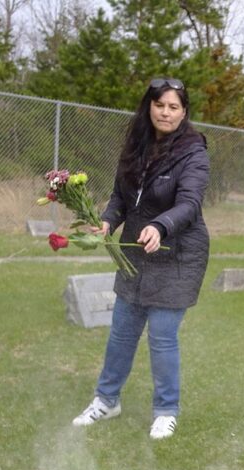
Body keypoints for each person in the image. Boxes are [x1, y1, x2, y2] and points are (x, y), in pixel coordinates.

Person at [72, 77, 210, 439]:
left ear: (184, 112)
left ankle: (166, 410)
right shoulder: (136, 145)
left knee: (162, 336)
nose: (165, 112)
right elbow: (121, 196)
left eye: (173, 107)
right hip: (136, 251)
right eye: (159, 105)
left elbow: (189, 204)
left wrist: (161, 226)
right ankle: (106, 399)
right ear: (149, 106)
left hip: (177, 252)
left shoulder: (194, 151)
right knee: (121, 332)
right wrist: (105, 222)